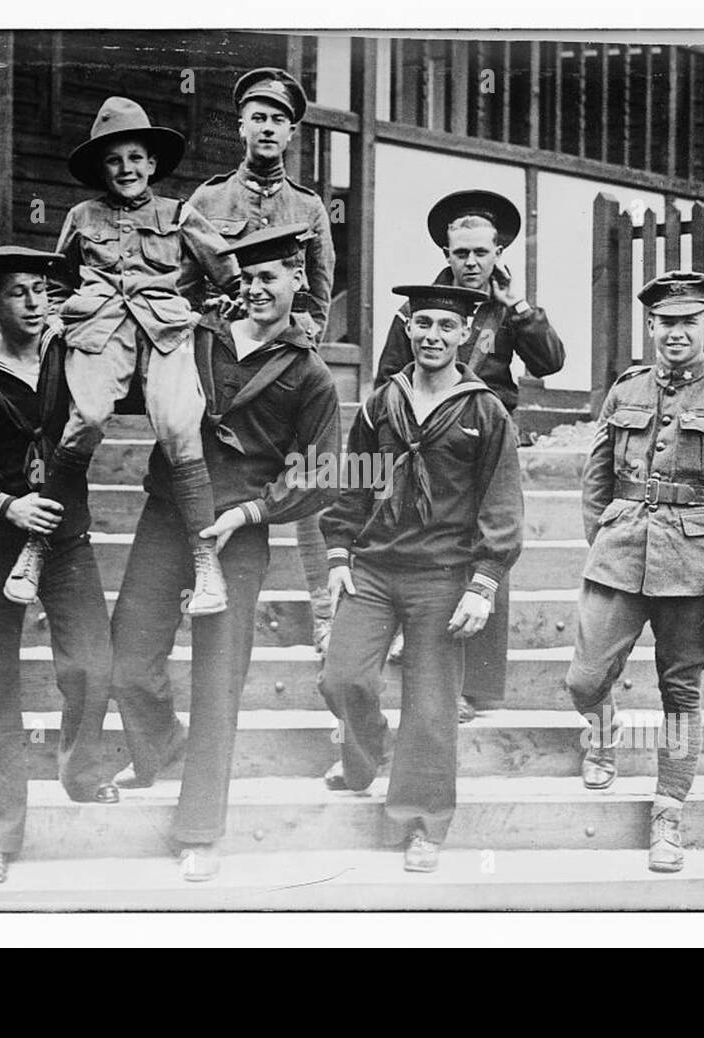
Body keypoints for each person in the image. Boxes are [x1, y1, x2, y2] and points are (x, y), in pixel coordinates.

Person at [107, 224, 341, 882]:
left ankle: (200, 828)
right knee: (127, 657)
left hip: (238, 533)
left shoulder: (310, 374)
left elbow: (321, 472)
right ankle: (159, 741)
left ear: (300, 282)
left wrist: (252, 511)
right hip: (168, 513)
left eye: (274, 276)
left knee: (218, 680)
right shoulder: (198, 334)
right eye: (250, 276)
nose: (260, 288)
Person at [0, 246, 120, 886]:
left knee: (92, 663)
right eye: (17, 293)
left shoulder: (76, 358)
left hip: (65, 543)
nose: (35, 304)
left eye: (42, 290)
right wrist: (5, 504)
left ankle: (82, 770)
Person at [565, 269, 704, 873]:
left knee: (680, 696)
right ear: (650, 326)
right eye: (666, 322)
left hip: (695, 568)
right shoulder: (625, 389)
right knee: (584, 678)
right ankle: (602, 732)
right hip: (621, 554)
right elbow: (596, 478)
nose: (676, 332)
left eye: (690, 321)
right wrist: (604, 540)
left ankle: (668, 812)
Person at [2, 97, 240, 619]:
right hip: (100, 331)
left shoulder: (178, 213)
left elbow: (227, 271)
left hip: (165, 331)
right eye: (114, 160)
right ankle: (38, 549)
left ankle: (206, 564)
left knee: (180, 424)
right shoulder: (81, 216)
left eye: (136, 158)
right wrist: (61, 317)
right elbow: (57, 278)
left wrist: (214, 306)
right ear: (101, 168)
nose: (126, 169)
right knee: (83, 419)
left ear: (152, 163)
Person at [319, 284, 524, 874]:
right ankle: (364, 752)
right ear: (408, 329)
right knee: (343, 678)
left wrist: (485, 580)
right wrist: (337, 553)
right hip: (376, 568)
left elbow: (502, 501)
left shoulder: (485, 409)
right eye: (422, 324)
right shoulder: (381, 401)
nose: (433, 335)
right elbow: (353, 482)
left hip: (443, 576)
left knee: (432, 709)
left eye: (446, 326)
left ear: (465, 336)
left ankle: (422, 823)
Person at [375, 189, 565, 722]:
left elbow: (549, 362)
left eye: (482, 252)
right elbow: (388, 374)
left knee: (489, 547)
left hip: (486, 440)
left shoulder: (507, 309)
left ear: (498, 252)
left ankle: (476, 687)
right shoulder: (419, 304)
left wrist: (519, 309)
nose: (472, 263)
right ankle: (404, 638)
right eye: (461, 254)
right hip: (424, 441)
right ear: (446, 254)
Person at [188, 67, 338, 654]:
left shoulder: (308, 207)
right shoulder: (208, 199)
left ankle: (324, 611)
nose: (268, 128)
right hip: (222, 360)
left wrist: (296, 347)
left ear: (292, 131)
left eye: (279, 119)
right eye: (258, 117)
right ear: (242, 126)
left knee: (309, 475)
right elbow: (183, 285)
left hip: (282, 366)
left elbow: (320, 294)